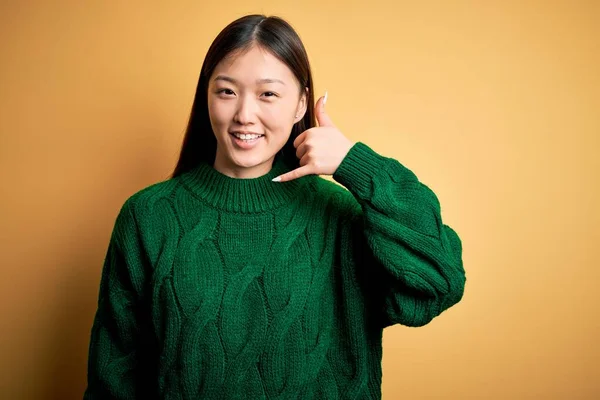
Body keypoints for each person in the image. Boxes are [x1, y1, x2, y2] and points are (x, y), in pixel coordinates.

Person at [83, 13, 466, 400]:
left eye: (268, 94)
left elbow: (439, 282)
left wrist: (357, 164)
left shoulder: (341, 217)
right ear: (206, 97)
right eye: (227, 91)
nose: (245, 115)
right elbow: (114, 375)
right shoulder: (149, 217)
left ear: (300, 105)